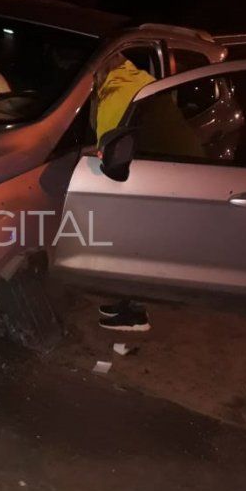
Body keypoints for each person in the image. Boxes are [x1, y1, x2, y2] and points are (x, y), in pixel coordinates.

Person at [92, 54, 156, 332]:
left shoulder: (115, 93)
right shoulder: (140, 79)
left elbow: (104, 147)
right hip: (152, 168)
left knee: (132, 248)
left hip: (134, 173)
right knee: (136, 245)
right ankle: (128, 303)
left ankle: (137, 315)